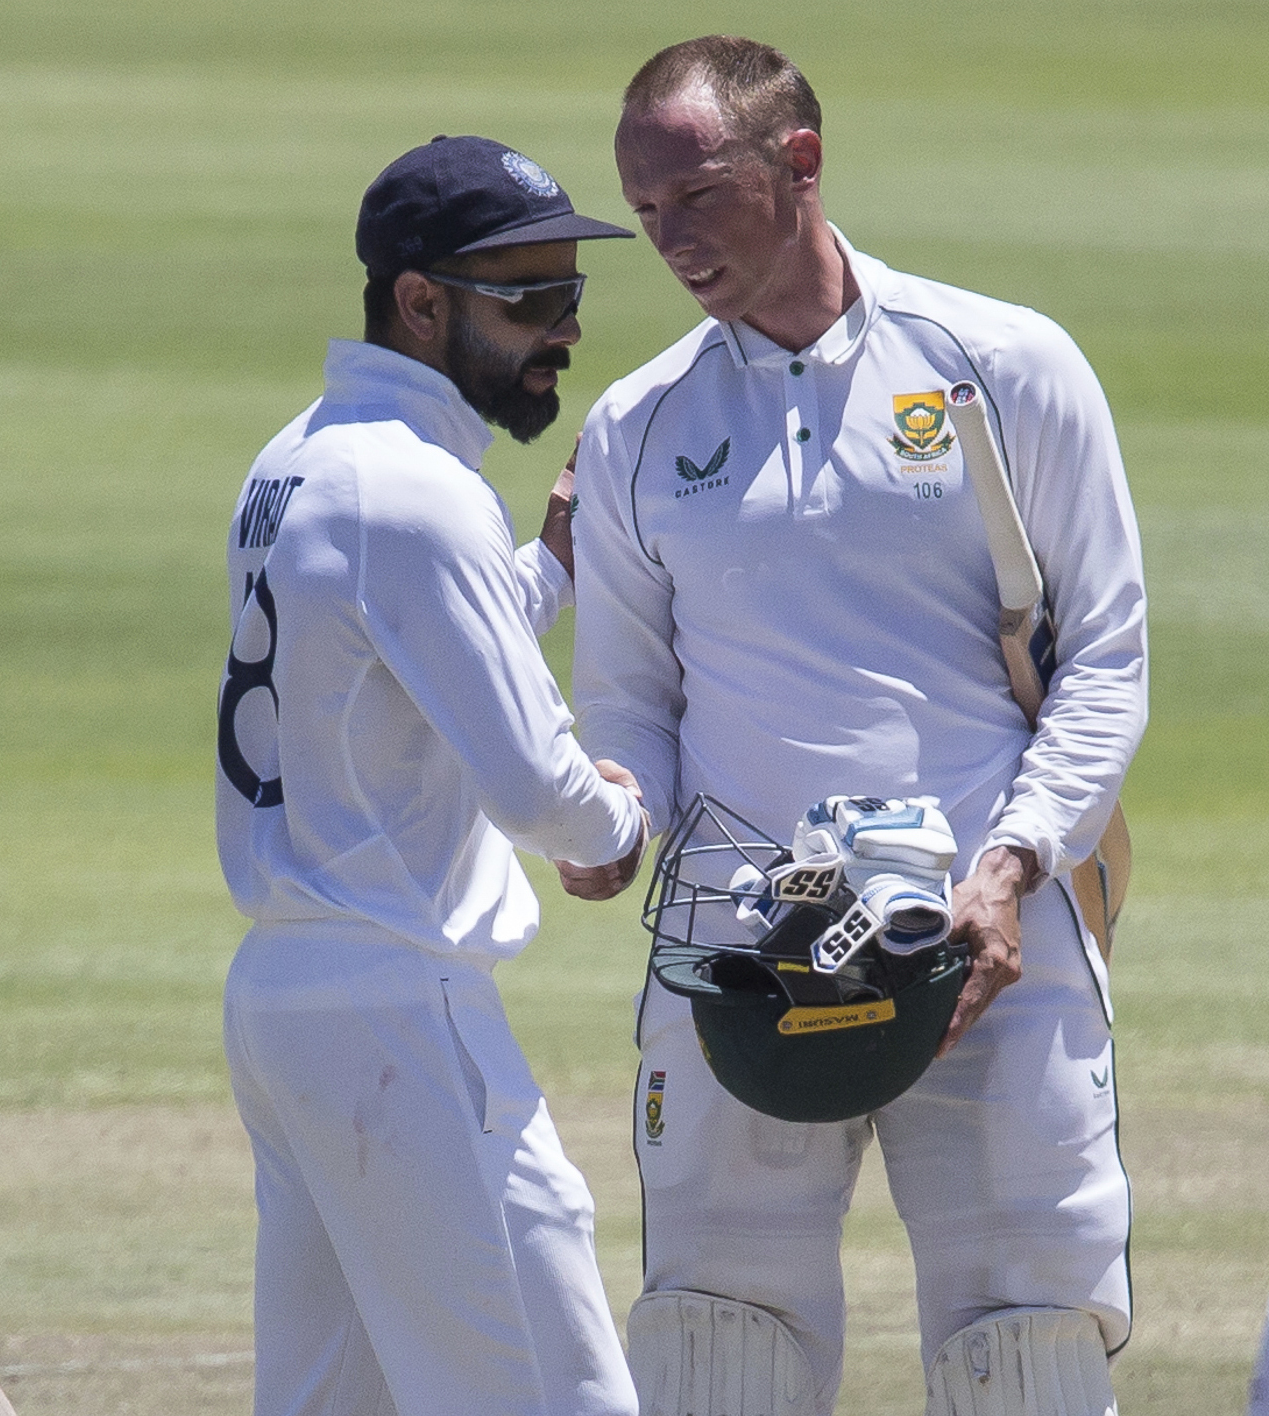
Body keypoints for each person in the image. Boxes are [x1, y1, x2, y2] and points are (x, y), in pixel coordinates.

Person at [563, 36, 1145, 1416]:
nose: (671, 241)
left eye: (696, 197)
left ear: (800, 162)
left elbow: (1107, 660)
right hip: (744, 961)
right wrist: (607, 815)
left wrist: (1008, 869)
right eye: (645, 214)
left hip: (988, 943)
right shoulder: (637, 427)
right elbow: (631, 707)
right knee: (719, 1342)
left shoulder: (1003, 364)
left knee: (1031, 1338)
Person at [215, 134, 651, 1416]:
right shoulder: (413, 491)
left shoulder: (295, 459)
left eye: (569, 295)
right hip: (399, 1008)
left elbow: (394, 652)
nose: (561, 331)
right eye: (529, 299)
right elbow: (533, 792)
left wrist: (549, 565)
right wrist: (618, 817)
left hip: (290, 1004)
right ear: (420, 302)